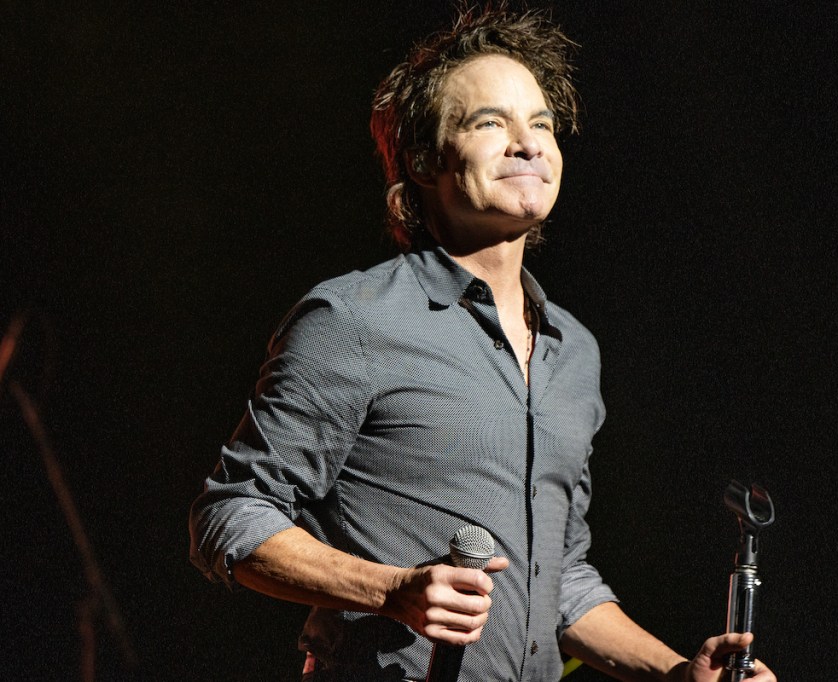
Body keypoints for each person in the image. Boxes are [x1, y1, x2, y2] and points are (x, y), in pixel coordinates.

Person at [189, 6, 777, 682]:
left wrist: (675, 672)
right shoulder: (353, 320)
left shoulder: (573, 352)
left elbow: (559, 578)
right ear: (422, 160)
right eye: (491, 123)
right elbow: (230, 513)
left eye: (542, 125)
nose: (528, 144)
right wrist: (391, 590)